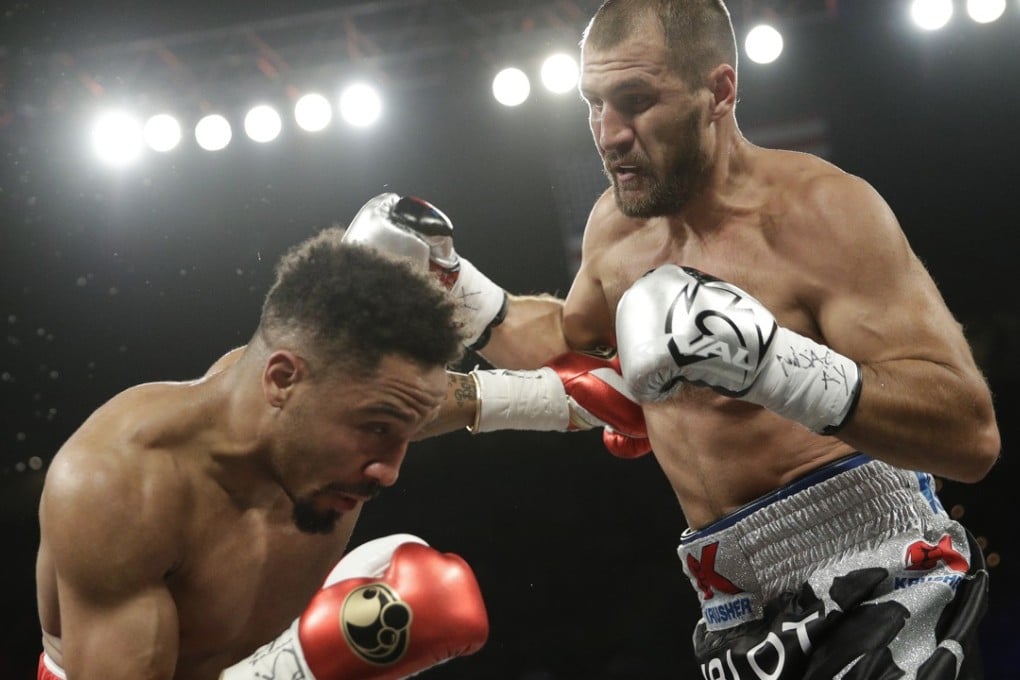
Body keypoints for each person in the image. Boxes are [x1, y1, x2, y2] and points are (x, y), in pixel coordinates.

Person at [343, 0, 1002, 676]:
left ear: (719, 91)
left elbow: (969, 436)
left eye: (635, 101)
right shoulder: (617, 227)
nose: (608, 134)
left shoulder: (821, 213)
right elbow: (576, 348)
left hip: (877, 564)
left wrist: (774, 363)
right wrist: (455, 287)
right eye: (593, 103)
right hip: (730, 599)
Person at [35, 230, 490, 680]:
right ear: (282, 380)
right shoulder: (119, 487)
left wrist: (542, 395)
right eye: (375, 428)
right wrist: (300, 667)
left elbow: (420, 400)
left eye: (408, 431)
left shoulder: (338, 405)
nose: (389, 471)